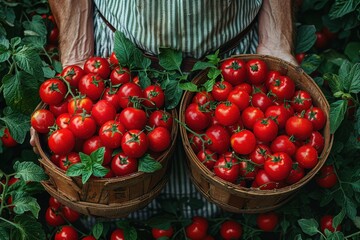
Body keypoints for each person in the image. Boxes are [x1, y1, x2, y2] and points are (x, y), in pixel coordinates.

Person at [31, 0, 297, 220]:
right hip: (117, 71)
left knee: (232, 205)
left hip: (231, 72)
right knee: (114, 206)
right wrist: (78, 59)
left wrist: (276, 42)